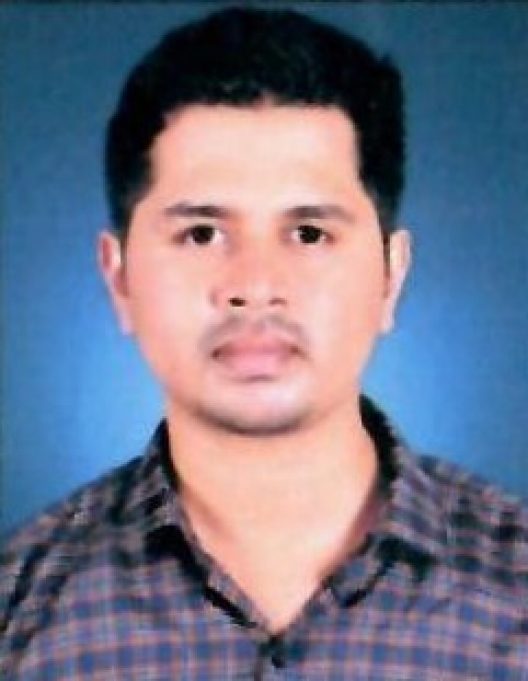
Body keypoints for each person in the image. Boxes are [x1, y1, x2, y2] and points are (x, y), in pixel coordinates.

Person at [1, 6, 526, 679]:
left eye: (309, 233)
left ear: (391, 276)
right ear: (120, 278)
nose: (254, 286)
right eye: (201, 234)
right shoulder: (19, 612)